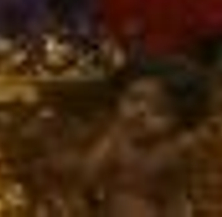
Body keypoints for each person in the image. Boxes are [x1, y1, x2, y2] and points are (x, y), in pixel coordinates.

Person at [76, 56, 210, 214]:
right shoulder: (117, 139)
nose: (140, 114)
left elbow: (176, 196)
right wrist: (110, 139)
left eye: (159, 110)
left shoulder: (171, 150)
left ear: (179, 122)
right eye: (133, 99)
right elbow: (89, 175)